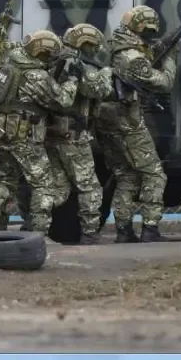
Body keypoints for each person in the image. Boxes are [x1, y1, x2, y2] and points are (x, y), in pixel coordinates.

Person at [0, 30, 78, 234]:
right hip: (24, 134)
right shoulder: (36, 75)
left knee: (6, 179)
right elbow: (63, 101)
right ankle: (39, 232)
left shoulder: (8, 67)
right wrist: (72, 79)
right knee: (43, 185)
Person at [94, 6, 179, 243]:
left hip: (105, 121)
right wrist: (170, 58)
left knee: (126, 175)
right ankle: (150, 228)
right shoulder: (133, 58)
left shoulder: (112, 45)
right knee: (154, 175)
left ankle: (123, 231)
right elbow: (164, 83)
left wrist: (157, 49)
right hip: (127, 122)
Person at [45, 23, 114, 244]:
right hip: (73, 136)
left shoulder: (53, 60)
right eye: (92, 46)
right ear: (84, 44)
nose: (94, 50)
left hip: (50, 133)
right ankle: (90, 233)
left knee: (57, 188)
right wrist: (106, 72)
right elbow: (98, 89)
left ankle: (38, 227)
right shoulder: (75, 64)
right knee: (90, 187)